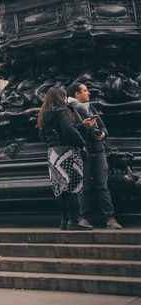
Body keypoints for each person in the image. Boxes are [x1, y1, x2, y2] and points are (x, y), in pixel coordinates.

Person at [67, 83, 123, 229]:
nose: (88, 93)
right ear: (76, 94)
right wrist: (84, 126)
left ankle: (110, 218)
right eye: (85, 91)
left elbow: (103, 128)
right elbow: (69, 131)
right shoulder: (69, 110)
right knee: (84, 186)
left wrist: (102, 134)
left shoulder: (90, 107)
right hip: (82, 151)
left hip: (98, 150)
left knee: (102, 185)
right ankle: (85, 217)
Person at [38, 86, 92, 231]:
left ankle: (64, 220)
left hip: (53, 153)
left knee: (60, 187)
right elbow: (69, 130)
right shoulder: (62, 111)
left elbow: (41, 135)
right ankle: (75, 220)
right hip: (67, 151)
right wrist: (82, 144)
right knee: (73, 185)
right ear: (61, 97)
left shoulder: (44, 113)